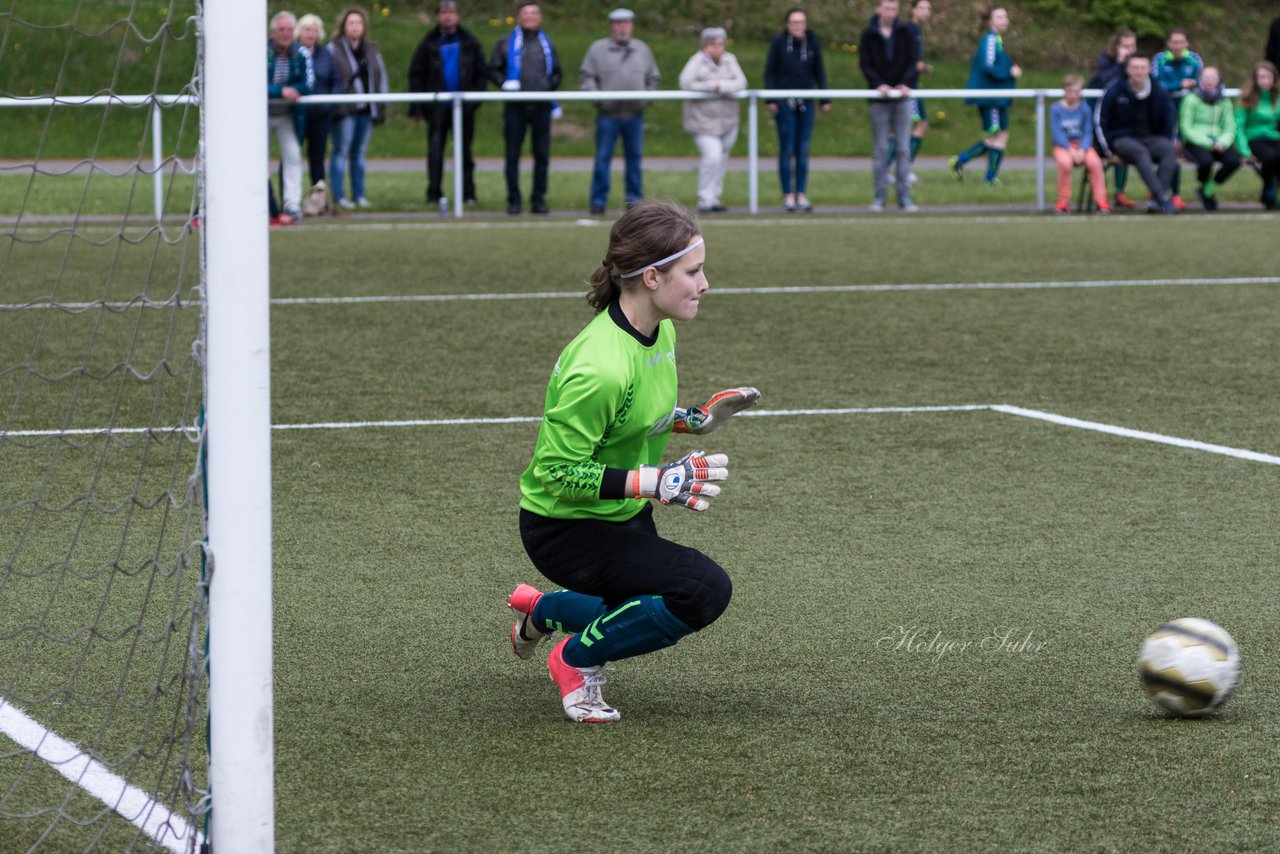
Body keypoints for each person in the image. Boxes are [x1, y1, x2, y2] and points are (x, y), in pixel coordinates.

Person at [508, 200, 760, 724]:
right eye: (693, 272)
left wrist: (696, 419)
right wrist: (657, 481)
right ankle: (573, 658)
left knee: (628, 608)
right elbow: (558, 471)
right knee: (701, 589)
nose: (705, 283)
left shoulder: (659, 329)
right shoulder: (598, 366)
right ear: (651, 277)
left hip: (620, 517)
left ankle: (543, 609)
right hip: (566, 529)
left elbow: (639, 416)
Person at [408, 1, 489, 207]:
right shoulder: (428, 43)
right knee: (435, 152)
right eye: (444, 12)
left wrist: (474, 100)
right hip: (436, 109)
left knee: (465, 152)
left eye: (451, 12)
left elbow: (482, 73)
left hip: (463, 109)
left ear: (458, 16)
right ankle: (433, 194)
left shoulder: (469, 42)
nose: (447, 16)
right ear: (438, 16)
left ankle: (468, 193)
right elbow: (416, 75)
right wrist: (417, 107)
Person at [580, 9, 660, 215]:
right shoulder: (597, 49)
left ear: (631, 25)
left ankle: (634, 204)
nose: (622, 27)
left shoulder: (642, 49)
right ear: (611, 26)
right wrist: (599, 99)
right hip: (608, 115)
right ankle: (598, 201)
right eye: (618, 23)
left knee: (634, 159)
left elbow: (653, 78)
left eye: (626, 23)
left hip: (634, 115)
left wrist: (645, 99)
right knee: (602, 158)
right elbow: (587, 77)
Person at [489, 3, 562, 215]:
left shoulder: (547, 43)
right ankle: (514, 199)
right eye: (526, 13)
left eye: (534, 13)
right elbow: (492, 68)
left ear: (539, 17)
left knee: (542, 155)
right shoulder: (505, 43)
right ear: (519, 17)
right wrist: (504, 83)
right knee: (512, 154)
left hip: (541, 107)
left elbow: (557, 72)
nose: (530, 17)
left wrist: (548, 87)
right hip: (515, 108)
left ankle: (538, 199)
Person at [763, 8, 830, 212]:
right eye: (794, 22)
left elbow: (819, 70)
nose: (798, 26)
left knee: (803, 149)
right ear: (787, 24)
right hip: (785, 102)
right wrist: (771, 97)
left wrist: (824, 98)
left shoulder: (812, 43)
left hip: (806, 100)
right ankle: (788, 196)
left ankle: (801, 194)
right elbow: (769, 71)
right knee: (788, 147)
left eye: (801, 22)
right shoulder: (779, 42)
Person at [1097, 54, 1179, 213]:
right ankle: (1163, 198)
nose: (1139, 71)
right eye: (1135, 67)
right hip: (1122, 139)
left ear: (1149, 69)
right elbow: (1101, 122)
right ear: (1128, 70)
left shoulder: (1159, 91)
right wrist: (1107, 151)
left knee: (1169, 149)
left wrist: (1167, 139)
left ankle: (1156, 201)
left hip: (1150, 138)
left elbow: (1171, 120)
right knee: (1140, 152)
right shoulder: (1114, 90)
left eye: (1142, 67)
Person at [949, 6, 1021, 185]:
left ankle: (991, 176)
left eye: (1005, 16)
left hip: (1000, 98)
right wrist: (1009, 72)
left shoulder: (997, 40)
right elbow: (987, 66)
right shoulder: (989, 40)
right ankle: (960, 161)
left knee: (1002, 135)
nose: (1004, 20)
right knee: (994, 135)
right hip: (991, 97)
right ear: (990, 21)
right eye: (999, 16)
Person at [678, 28, 747, 214]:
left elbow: (741, 82)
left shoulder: (730, 60)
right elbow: (686, 83)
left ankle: (714, 197)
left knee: (722, 159)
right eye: (712, 45)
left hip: (728, 121)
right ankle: (704, 199)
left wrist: (721, 86)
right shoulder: (696, 61)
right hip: (702, 122)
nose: (717, 48)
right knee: (713, 156)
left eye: (720, 44)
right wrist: (712, 86)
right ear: (704, 46)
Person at [860, 0, 919, 212]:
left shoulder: (905, 32)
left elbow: (913, 62)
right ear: (878, 9)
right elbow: (865, 64)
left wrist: (905, 84)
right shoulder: (869, 34)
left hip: (901, 98)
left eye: (894, 9)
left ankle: (904, 197)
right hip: (879, 99)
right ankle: (879, 197)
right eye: (887, 8)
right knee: (881, 150)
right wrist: (879, 84)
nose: (890, 13)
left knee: (903, 148)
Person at [328, 6, 389, 210]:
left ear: (364, 27)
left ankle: (359, 195)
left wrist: (381, 106)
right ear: (344, 26)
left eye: (359, 23)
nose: (355, 27)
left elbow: (381, 79)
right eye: (351, 23)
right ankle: (338, 196)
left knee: (359, 153)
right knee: (341, 151)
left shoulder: (371, 50)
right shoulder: (334, 49)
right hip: (345, 110)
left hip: (366, 110)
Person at [267, 11, 312, 225]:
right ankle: (263, 204)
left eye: (288, 30)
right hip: (261, 114)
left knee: (293, 154)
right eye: (281, 30)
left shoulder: (300, 54)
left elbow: (308, 83)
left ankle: (292, 204)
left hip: (286, 114)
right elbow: (251, 82)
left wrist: (293, 90)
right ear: (272, 33)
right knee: (257, 159)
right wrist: (279, 91)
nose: (285, 34)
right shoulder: (261, 52)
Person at [1153, 28, 1204, 209]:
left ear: (1186, 44)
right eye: (1174, 42)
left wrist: (1194, 83)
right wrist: (1178, 85)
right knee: (1168, 151)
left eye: (1181, 42)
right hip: (1164, 111)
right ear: (1169, 43)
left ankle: (1176, 194)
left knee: (1179, 152)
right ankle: (1160, 191)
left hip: (1188, 113)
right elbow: (1155, 84)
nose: (1177, 46)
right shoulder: (1160, 59)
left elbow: (1204, 80)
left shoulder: (1194, 59)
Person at [1178, 66, 1239, 211]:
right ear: (1200, 79)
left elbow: (1229, 126)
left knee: (1234, 160)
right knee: (1206, 162)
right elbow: (1186, 127)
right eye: (1206, 77)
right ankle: (1204, 187)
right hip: (1196, 141)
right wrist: (1208, 142)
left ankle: (1207, 190)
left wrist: (1222, 142)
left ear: (1218, 80)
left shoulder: (1224, 101)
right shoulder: (1191, 99)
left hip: (1219, 141)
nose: (1209, 81)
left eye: (1213, 78)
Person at [888, 0, 933, 182]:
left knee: (909, 127)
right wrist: (919, 66)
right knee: (916, 125)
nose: (925, 11)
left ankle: (896, 169)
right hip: (907, 85)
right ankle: (899, 170)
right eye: (921, 7)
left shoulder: (916, 30)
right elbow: (903, 57)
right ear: (913, 10)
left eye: (928, 8)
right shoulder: (909, 29)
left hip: (912, 84)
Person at [1049, 75, 1108, 214]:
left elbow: (1088, 131)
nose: (1072, 94)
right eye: (1069, 91)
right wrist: (1070, 149)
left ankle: (1101, 201)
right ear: (1064, 91)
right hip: (1063, 146)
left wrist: (1082, 149)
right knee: (1065, 164)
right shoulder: (1056, 109)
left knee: (1096, 163)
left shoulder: (1085, 108)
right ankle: (1063, 202)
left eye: (1076, 91)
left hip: (1082, 146)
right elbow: (1057, 133)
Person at [297, 14, 336, 190]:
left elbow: (335, 79)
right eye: (307, 29)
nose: (311, 34)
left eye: (314, 30)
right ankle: (290, 200)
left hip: (320, 114)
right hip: (297, 113)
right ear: (300, 32)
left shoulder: (325, 53)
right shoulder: (293, 51)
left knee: (318, 158)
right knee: (292, 156)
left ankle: (318, 198)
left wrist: (329, 102)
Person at [1235, 61, 1280, 210]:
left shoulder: (1277, 97)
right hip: (1253, 138)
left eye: (1268, 77)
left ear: (1274, 79)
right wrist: (1245, 151)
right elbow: (1239, 127)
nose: (1265, 80)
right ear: (1255, 79)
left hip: (1273, 136)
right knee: (1271, 157)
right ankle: (1269, 191)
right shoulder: (1247, 98)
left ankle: (1270, 191)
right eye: (1261, 77)